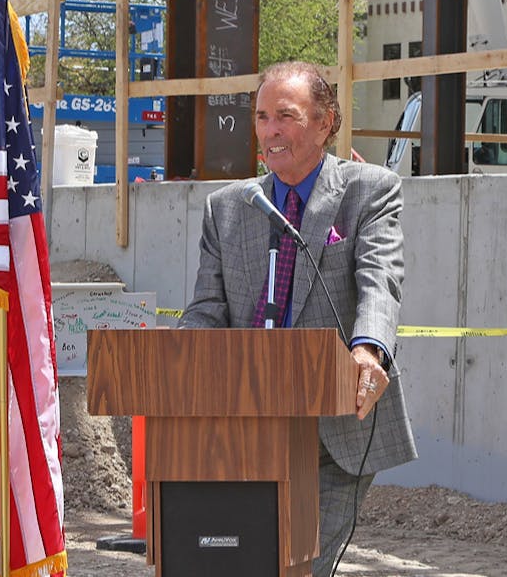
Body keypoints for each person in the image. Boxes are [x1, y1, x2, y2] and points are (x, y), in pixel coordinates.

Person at [178, 60, 417, 576]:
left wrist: (369, 349)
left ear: (326, 121)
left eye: (285, 116)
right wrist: (176, 363)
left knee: (297, 566)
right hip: (247, 428)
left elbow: (381, 281)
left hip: (336, 426)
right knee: (245, 563)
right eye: (262, 117)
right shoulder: (229, 206)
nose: (271, 131)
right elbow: (206, 310)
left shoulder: (369, 191)